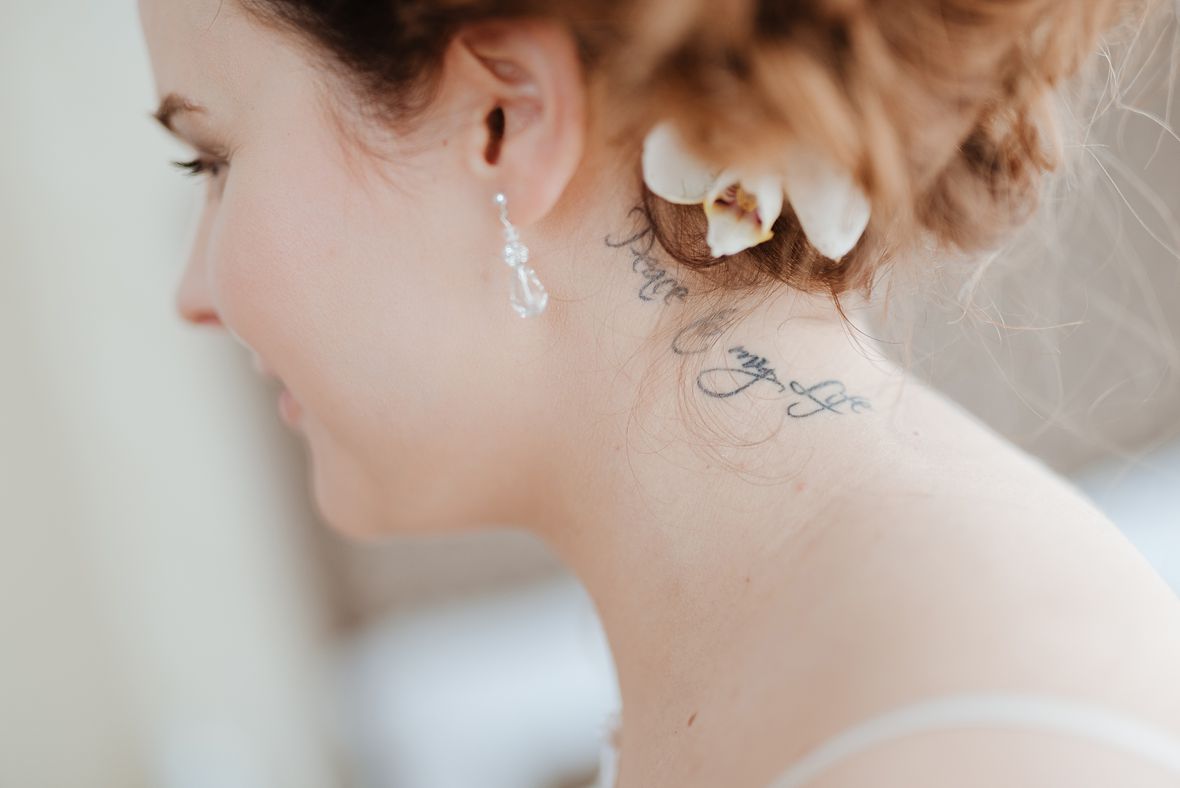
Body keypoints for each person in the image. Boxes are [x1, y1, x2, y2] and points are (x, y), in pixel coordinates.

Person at [137, 0, 1180, 785]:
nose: (193, 295)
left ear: (506, 118)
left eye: (212, 161)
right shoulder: (789, 654)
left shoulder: (981, 738)